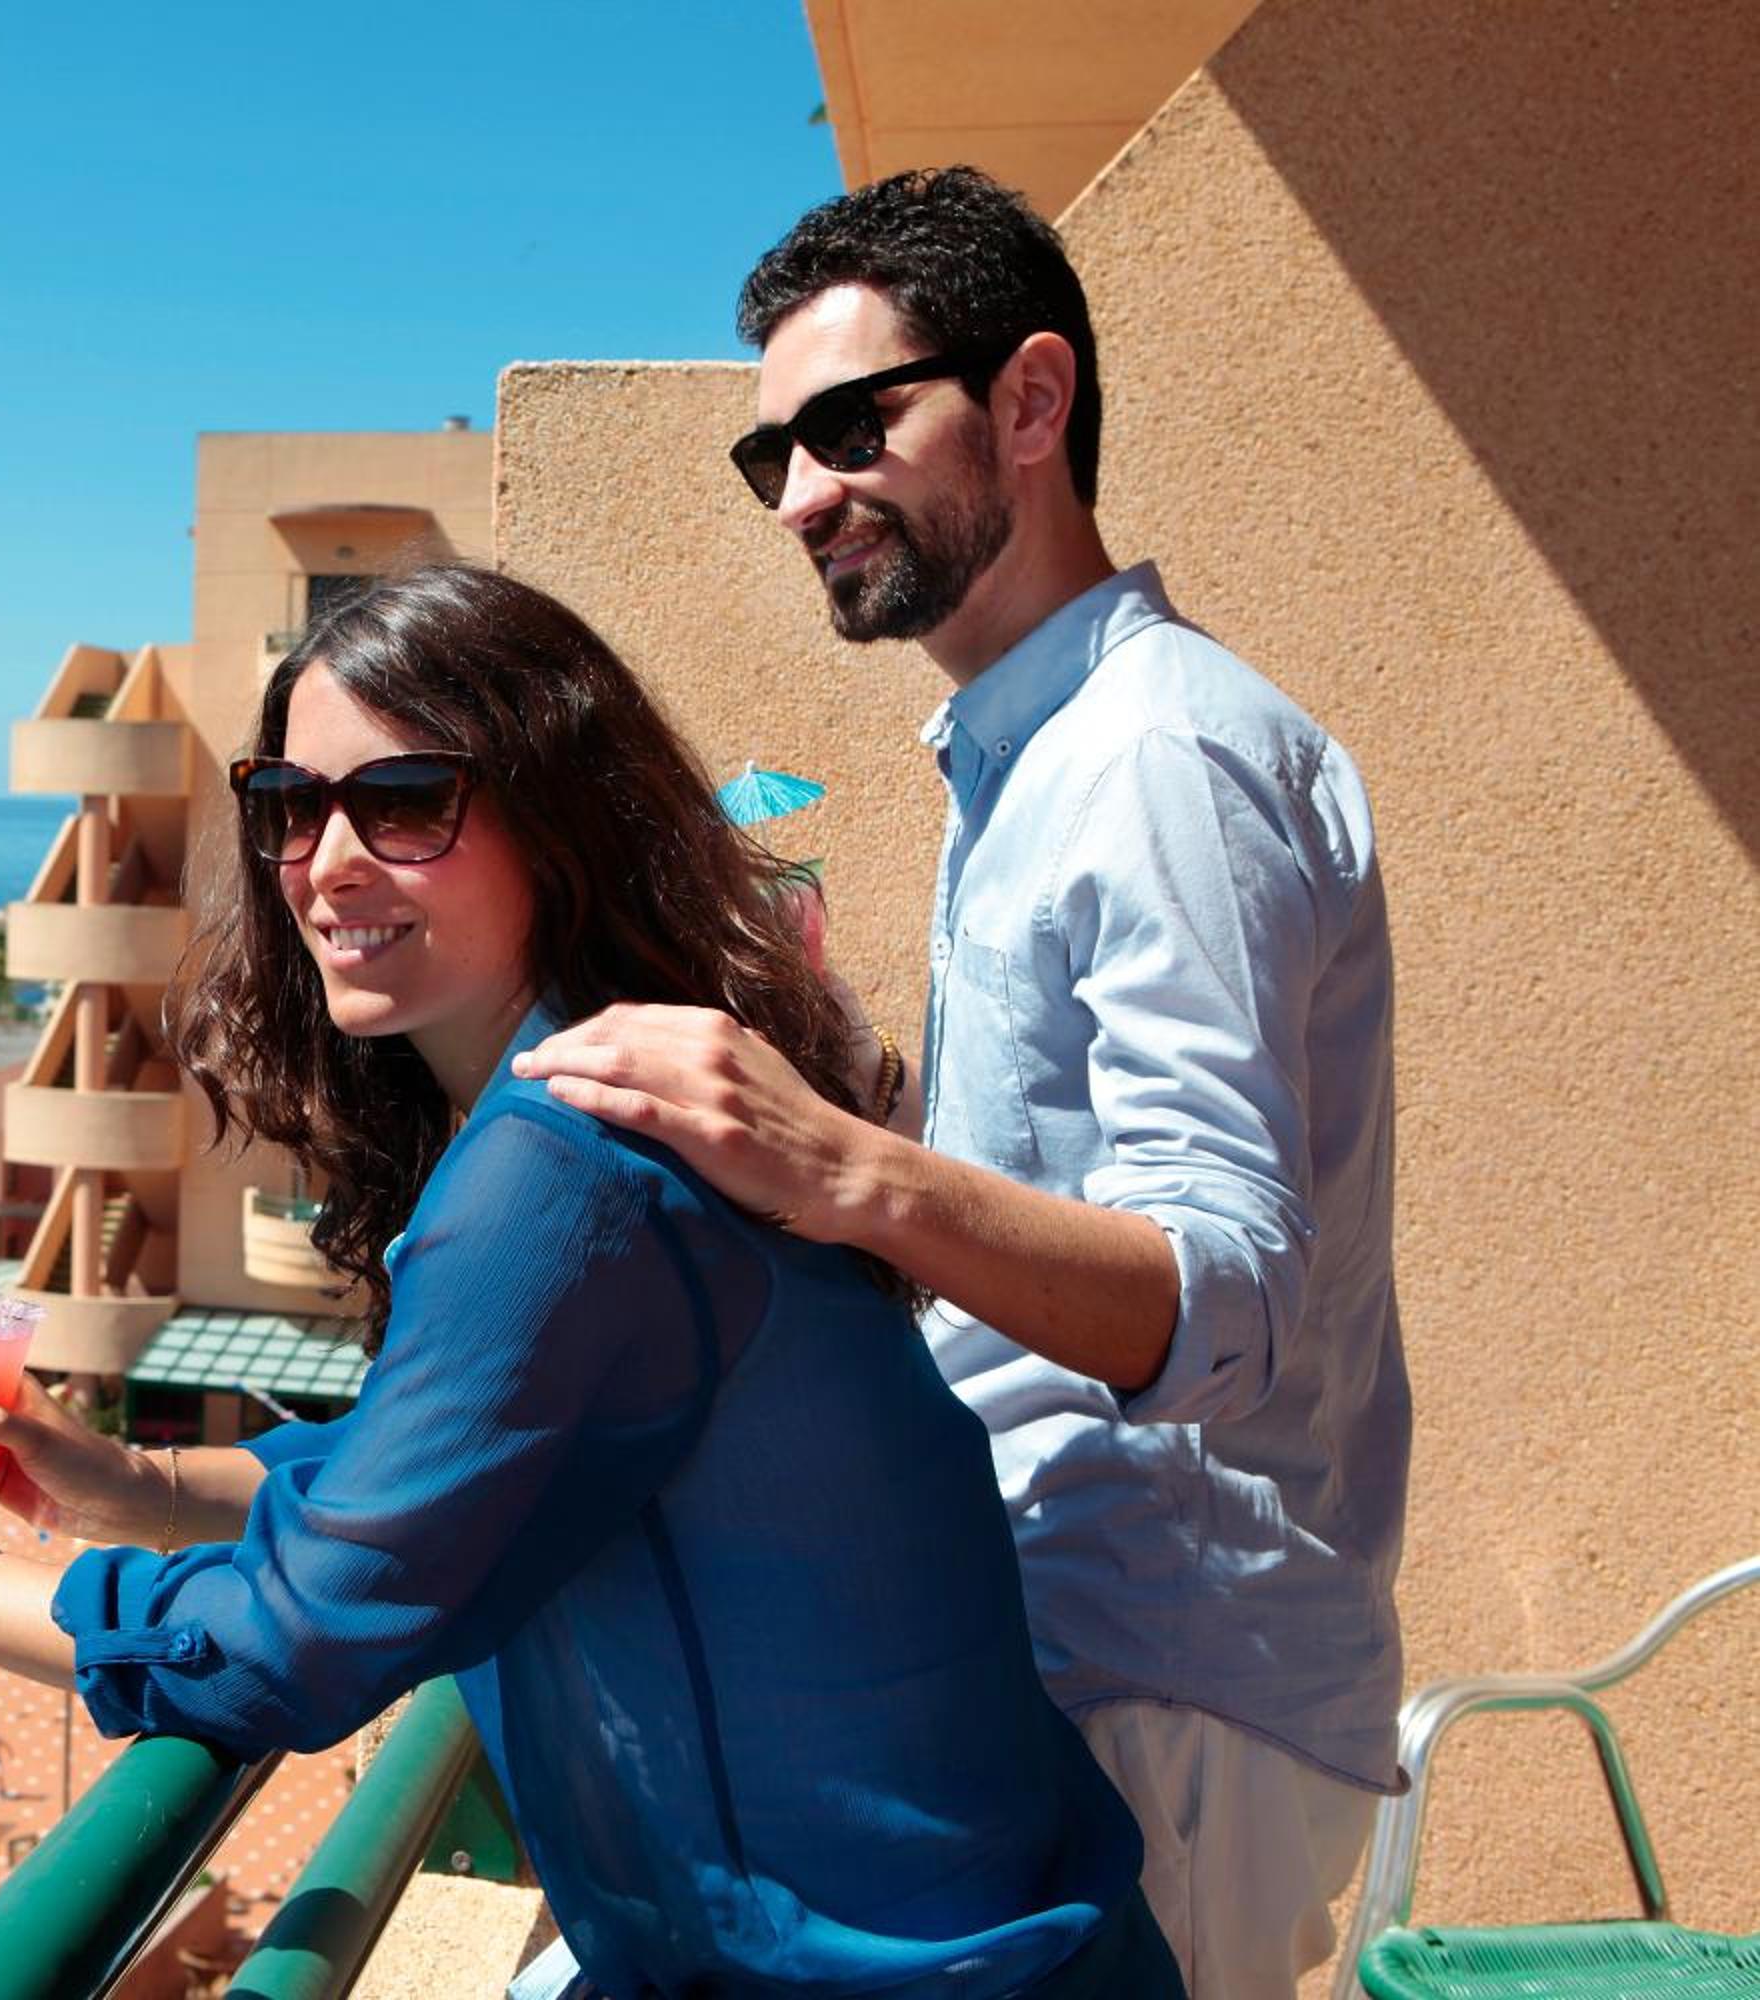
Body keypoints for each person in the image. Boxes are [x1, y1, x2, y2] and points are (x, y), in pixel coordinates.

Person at [0, 564, 1179, 1998]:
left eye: (404, 802)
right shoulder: (596, 1094)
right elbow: (434, 1471)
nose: (328, 862)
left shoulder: (562, 1161)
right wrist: (129, 1481)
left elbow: (295, 1641)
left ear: (556, 820)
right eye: (290, 806)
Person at [512, 168, 1408, 1997]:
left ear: (1031, 401)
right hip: (1067, 1648)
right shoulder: (1029, 759)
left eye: (852, 426)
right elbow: (1065, 1190)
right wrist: (868, 1118)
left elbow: (1222, 1296)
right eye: (770, 455)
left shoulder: (1155, 758)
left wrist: (836, 1164)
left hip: (1166, 1685)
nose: (801, 495)